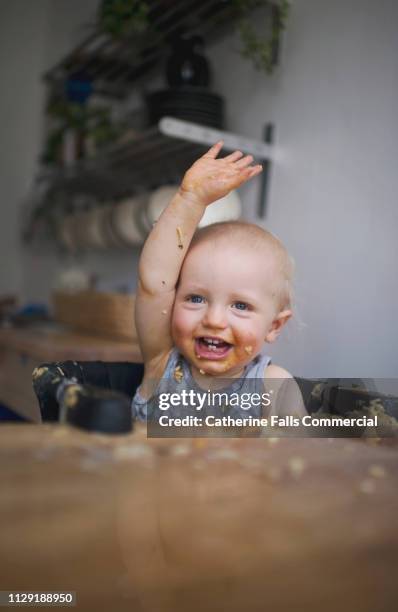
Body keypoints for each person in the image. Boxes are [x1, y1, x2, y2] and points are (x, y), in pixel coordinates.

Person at [132, 142, 306, 426]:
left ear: (274, 325)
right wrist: (190, 200)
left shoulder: (274, 388)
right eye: (196, 299)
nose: (213, 320)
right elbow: (154, 282)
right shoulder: (162, 363)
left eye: (240, 305)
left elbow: (290, 458)